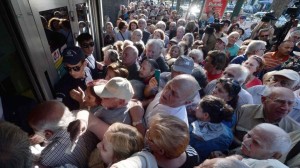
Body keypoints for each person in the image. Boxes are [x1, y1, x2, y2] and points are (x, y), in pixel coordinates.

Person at [28, 101, 97, 167]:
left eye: (35, 131)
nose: (35, 133)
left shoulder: (47, 157)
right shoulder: (80, 117)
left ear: (48, 133)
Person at [189, 95, 234, 163]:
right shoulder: (228, 132)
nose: (195, 108)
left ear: (206, 115)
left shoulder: (192, 131)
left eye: (198, 106)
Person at [55, 46, 93, 110]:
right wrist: (81, 102)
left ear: (85, 64)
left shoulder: (88, 70)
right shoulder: (62, 86)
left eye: (76, 68)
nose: (72, 72)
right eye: (68, 68)